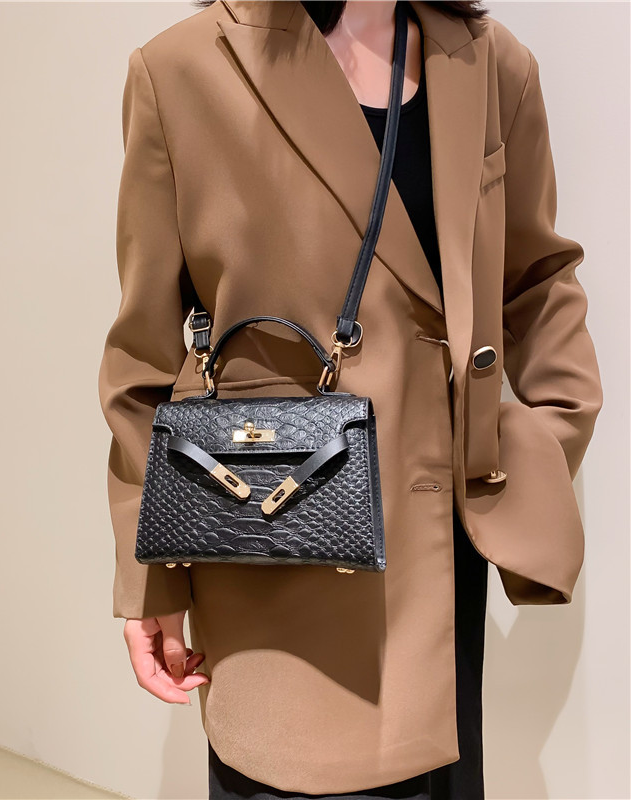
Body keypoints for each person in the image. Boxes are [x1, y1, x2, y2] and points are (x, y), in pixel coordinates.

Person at [98, 1, 603, 798]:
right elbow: (145, 354)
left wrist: (548, 434)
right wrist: (150, 575)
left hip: (439, 562)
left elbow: (537, 279)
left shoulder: (488, 62)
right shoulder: (183, 71)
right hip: (278, 537)